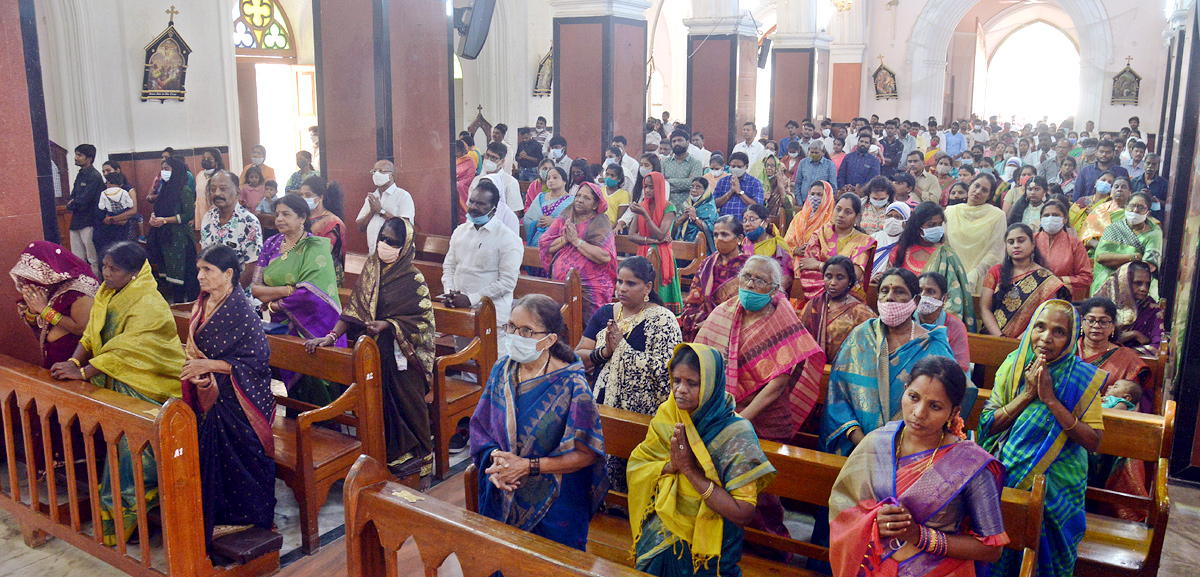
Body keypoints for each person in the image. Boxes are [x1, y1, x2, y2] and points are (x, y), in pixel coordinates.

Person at [49, 242, 184, 545]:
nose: (105, 273)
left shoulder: (149, 302)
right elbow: (91, 332)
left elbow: (127, 349)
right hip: (119, 382)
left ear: (135, 273)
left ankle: (135, 519)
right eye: (104, 266)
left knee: (133, 455)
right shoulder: (108, 293)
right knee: (117, 450)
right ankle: (127, 520)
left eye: (114, 268)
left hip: (152, 390)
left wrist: (83, 373)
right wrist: (73, 361)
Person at [829, 356, 1007, 577]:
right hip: (877, 567)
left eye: (935, 406)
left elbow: (992, 549)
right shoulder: (876, 443)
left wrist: (919, 536)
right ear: (904, 391)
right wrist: (873, 522)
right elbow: (843, 509)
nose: (919, 413)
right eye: (913, 397)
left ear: (953, 413)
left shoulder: (970, 464)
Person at [695, 256, 825, 552]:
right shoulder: (724, 312)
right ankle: (724, 542)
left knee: (761, 492)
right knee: (720, 483)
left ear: (775, 288)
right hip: (722, 415)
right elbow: (703, 362)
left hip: (764, 419)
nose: (751, 284)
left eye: (760, 280)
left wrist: (738, 422)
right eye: (747, 277)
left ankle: (769, 547)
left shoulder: (783, 317)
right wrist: (723, 417)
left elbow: (777, 385)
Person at [978, 300, 1105, 577]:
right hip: (1008, 474)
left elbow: (1094, 442)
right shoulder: (1013, 366)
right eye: (1040, 327)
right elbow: (988, 426)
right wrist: (1027, 395)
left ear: (1071, 338)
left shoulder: (1080, 377)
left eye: (1058, 332)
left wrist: (1050, 400)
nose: (1046, 338)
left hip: (1059, 482)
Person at [470, 294, 606, 551]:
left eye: (525, 330)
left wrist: (526, 466)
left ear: (550, 339)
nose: (514, 335)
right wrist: (496, 458)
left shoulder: (572, 385)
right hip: (502, 488)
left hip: (555, 502)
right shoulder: (503, 370)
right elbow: (481, 428)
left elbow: (587, 454)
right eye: (511, 327)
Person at [627, 343, 776, 575]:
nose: (680, 389)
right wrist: (671, 466)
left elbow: (743, 512)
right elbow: (639, 466)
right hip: (661, 534)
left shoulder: (736, 433)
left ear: (710, 385)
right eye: (676, 380)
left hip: (709, 549)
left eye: (692, 383)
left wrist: (690, 471)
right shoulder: (668, 415)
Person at [306, 218, 436, 479]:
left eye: (392, 242)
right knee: (381, 403)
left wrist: (389, 325)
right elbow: (354, 308)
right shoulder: (372, 267)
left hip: (404, 355)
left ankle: (422, 454)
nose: (385, 245)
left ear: (405, 246)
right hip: (376, 352)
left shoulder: (413, 278)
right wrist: (331, 336)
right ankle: (395, 452)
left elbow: (423, 320)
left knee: (408, 403)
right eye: (383, 238)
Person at [181, 244, 276, 547]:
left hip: (240, 399)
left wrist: (209, 365)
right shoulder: (204, 302)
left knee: (240, 458)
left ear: (229, 274)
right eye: (199, 269)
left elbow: (258, 359)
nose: (200, 276)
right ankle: (219, 515)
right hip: (211, 392)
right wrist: (198, 368)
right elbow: (194, 347)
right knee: (213, 457)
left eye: (207, 270)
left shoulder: (241, 310)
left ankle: (249, 519)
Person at [820, 268, 956, 457]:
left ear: (915, 301)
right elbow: (838, 394)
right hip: (857, 448)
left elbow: (946, 400)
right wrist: (863, 444)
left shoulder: (932, 346)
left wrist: (900, 450)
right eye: (884, 291)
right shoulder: (861, 336)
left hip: (912, 451)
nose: (890, 297)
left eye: (899, 292)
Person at [576, 257, 681, 492]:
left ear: (648, 287)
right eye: (619, 281)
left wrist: (623, 348)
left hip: (640, 417)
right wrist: (605, 351)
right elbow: (578, 356)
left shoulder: (664, 320)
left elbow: (666, 374)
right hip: (601, 407)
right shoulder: (605, 313)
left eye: (631, 283)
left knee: (632, 479)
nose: (622, 288)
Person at [251, 194, 344, 402]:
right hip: (281, 328)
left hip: (314, 328)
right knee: (294, 391)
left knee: (320, 393)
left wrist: (273, 304)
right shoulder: (270, 244)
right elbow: (256, 288)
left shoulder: (315, 248)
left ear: (302, 218)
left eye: (286, 214)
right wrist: (289, 289)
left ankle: (327, 430)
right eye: (277, 215)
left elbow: (311, 295)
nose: (279, 219)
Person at [441, 183, 524, 352]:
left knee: (493, 366)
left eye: (481, 204)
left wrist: (471, 299)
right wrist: (450, 291)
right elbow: (449, 266)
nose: (473, 207)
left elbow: (507, 282)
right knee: (466, 365)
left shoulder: (507, 238)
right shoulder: (460, 231)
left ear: (494, 209)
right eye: (472, 201)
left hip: (492, 316)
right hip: (461, 312)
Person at [10, 241, 98, 368]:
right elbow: (37, 324)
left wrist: (44, 310)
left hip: (75, 362)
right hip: (53, 356)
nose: (32, 281)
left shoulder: (81, 288)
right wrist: (33, 309)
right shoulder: (47, 286)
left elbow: (81, 329)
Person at [537, 180, 616, 320]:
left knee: (589, 326)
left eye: (586, 198)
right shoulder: (567, 216)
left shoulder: (600, 222)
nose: (580, 200)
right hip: (561, 285)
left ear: (596, 204)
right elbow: (545, 244)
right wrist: (565, 239)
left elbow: (604, 256)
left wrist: (576, 241)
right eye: (578, 196)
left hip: (592, 286)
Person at [980, 223, 1070, 338]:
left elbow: (1046, 316)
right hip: (992, 338)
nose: (1016, 245)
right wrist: (1000, 338)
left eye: (1021, 241)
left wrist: (1021, 340)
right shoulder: (996, 271)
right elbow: (985, 308)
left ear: (1032, 245)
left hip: (1029, 341)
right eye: (1011, 242)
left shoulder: (1045, 278)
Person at [794, 193, 876, 309]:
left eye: (848, 212)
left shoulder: (863, 241)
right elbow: (807, 267)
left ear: (856, 217)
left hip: (849, 301)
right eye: (838, 209)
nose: (841, 215)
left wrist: (819, 265)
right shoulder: (820, 234)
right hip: (817, 297)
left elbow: (854, 274)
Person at [679, 216, 751, 341]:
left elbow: (748, 308)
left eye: (724, 235)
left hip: (733, 325)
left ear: (739, 239)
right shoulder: (707, 264)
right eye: (715, 235)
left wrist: (713, 324)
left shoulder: (749, 268)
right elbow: (693, 300)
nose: (719, 239)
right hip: (703, 322)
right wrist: (703, 321)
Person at [1076, 297, 1153, 412]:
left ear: (1113, 325)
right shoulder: (1068, 349)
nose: (1096, 326)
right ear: (1082, 322)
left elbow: (1131, 403)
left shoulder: (1126, 358)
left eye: (1103, 321)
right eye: (1091, 320)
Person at [798, 256, 877, 364]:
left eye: (840, 277)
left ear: (850, 280)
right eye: (828, 276)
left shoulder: (861, 313)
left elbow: (871, 350)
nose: (833, 282)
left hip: (843, 373)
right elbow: (800, 338)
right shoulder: (814, 305)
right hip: (811, 370)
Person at [146, 155, 199, 303]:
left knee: (184, 276)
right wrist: (154, 217)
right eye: (162, 169)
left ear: (175, 170)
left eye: (167, 169)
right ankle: (176, 306)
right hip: (165, 237)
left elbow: (188, 215)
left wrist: (164, 220)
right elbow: (159, 208)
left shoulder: (184, 190)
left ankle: (187, 308)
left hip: (180, 239)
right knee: (171, 276)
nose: (164, 172)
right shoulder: (164, 189)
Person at [199, 170, 262, 292]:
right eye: (213, 189)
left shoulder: (249, 222)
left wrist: (230, 294)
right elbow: (204, 258)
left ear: (237, 192)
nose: (217, 193)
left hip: (241, 293)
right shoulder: (208, 217)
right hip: (214, 291)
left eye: (223, 189)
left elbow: (252, 266)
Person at [628, 172, 682, 312]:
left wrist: (645, 215)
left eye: (651, 187)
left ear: (659, 187)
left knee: (660, 292)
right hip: (644, 253)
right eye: (645, 186)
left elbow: (660, 234)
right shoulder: (641, 205)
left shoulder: (669, 207)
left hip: (661, 255)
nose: (647, 190)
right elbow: (632, 235)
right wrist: (653, 241)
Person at [944, 173, 1005, 296]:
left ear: (989, 196)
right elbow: (945, 246)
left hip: (982, 278)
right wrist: (955, 273)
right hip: (951, 276)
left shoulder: (997, 215)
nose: (978, 191)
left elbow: (996, 250)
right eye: (976, 186)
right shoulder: (950, 212)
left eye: (984, 190)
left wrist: (976, 273)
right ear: (969, 186)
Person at [1092, 192, 1161, 298]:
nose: (1135, 210)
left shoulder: (1154, 232)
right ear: (1126, 207)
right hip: (1107, 282)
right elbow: (1101, 258)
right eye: (1132, 206)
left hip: (1137, 286)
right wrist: (1133, 257)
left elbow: (1148, 266)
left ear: (1148, 213)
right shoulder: (1114, 228)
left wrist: (1116, 263)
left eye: (1141, 207)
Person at [1092, 261, 1165, 360]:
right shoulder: (1102, 306)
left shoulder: (1151, 309)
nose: (1144, 289)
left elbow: (1159, 346)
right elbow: (1095, 340)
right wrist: (1133, 334)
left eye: (1147, 284)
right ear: (1124, 282)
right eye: (1138, 283)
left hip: (1133, 361)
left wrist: (1123, 353)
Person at [1035, 199, 1092, 300]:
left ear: (1065, 219)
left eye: (1055, 215)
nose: (1050, 218)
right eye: (1046, 215)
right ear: (1041, 219)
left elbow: (1086, 278)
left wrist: (1058, 280)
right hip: (1032, 297)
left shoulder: (1074, 243)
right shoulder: (1031, 241)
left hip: (1062, 299)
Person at [916, 272, 971, 376]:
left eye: (930, 292)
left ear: (944, 298)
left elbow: (960, 367)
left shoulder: (955, 326)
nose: (923, 296)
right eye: (919, 291)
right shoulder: (907, 321)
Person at [356, 160, 415, 254]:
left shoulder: (403, 196)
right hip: (372, 254)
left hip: (395, 255)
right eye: (374, 171)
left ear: (392, 175)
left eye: (381, 171)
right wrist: (372, 211)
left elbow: (405, 227)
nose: (376, 174)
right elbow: (360, 226)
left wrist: (381, 211)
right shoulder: (372, 197)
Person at [298, 175, 347, 285]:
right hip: (301, 269)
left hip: (324, 273)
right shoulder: (302, 217)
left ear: (321, 197)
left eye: (308, 195)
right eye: (301, 195)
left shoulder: (332, 222)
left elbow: (324, 252)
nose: (303, 198)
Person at [66, 144, 105, 273]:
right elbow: (73, 196)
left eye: (79, 155)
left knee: (92, 258)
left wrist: (72, 204)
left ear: (89, 158)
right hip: (76, 221)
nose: (76, 158)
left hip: (89, 221)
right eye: (76, 154)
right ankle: (82, 287)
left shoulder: (94, 176)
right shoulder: (80, 174)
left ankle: (96, 287)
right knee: (77, 258)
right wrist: (72, 203)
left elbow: (83, 200)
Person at [524, 166, 575, 251]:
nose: (551, 180)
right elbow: (527, 220)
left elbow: (576, 224)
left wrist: (554, 222)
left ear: (564, 181)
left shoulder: (572, 201)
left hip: (559, 246)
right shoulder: (540, 197)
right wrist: (536, 224)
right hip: (537, 243)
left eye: (555, 177)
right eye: (548, 178)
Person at [93, 172, 139, 258]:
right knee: (125, 250)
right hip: (123, 223)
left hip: (111, 223)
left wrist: (111, 219)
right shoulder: (124, 192)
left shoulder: (104, 193)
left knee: (115, 251)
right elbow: (130, 205)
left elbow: (101, 207)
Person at [671, 177, 719, 250]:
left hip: (702, 247)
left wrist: (695, 218)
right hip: (681, 245)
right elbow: (674, 226)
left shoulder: (709, 208)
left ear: (705, 191)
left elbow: (711, 229)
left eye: (698, 187)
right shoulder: (686, 205)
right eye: (692, 187)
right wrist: (683, 218)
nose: (693, 190)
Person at [713, 152, 765, 218]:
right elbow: (714, 204)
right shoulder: (723, 181)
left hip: (745, 223)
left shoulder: (755, 183)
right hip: (724, 223)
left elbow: (758, 208)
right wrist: (730, 192)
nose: (736, 169)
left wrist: (740, 192)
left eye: (739, 167)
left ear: (746, 167)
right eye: (733, 166)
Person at [661, 129, 704, 209]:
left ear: (687, 143)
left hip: (687, 210)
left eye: (680, 140)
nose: (677, 143)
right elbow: (661, 185)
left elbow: (693, 184)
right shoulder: (664, 163)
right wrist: (685, 182)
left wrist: (668, 181)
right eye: (674, 141)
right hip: (667, 209)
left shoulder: (696, 163)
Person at [870, 201, 910, 282]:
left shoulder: (907, 242)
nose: (892, 220)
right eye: (889, 216)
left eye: (898, 217)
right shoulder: (873, 238)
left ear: (906, 221)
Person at [754, 154, 796, 224]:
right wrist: (762, 197)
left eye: (772, 166)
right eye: (767, 165)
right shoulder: (760, 181)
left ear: (777, 167)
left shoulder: (784, 181)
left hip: (777, 218)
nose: (769, 168)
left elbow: (789, 205)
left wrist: (781, 188)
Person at [794, 140, 837, 206]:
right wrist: (800, 202)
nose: (814, 155)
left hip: (822, 204)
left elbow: (833, 187)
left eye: (816, 153)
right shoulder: (803, 163)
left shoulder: (830, 165)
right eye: (812, 152)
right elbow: (797, 184)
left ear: (823, 152)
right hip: (804, 202)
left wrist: (826, 204)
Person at [194, 148, 226, 231]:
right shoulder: (200, 175)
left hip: (215, 212)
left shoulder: (221, 175)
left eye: (209, 159)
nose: (206, 160)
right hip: (200, 212)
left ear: (216, 161)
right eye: (204, 158)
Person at [455, 140, 477, 218]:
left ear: (462, 151)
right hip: (458, 183)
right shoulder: (456, 159)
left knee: (457, 186)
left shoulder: (468, 160)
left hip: (465, 185)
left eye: (457, 151)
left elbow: (459, 173)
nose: (455, 154)